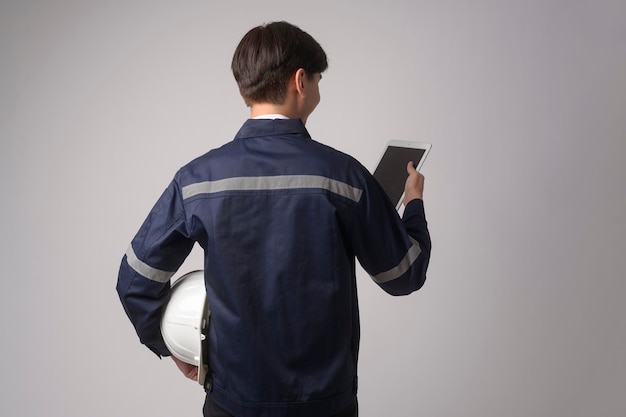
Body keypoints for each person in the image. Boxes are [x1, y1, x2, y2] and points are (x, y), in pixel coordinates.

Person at [117, 21, 431, 417]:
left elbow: (135, 281)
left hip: (230, 404)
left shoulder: (196, 179)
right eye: (318, 79)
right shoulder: (345, 177)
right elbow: (404, 275)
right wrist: (413, 203)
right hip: (324, 408)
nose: (318, 88)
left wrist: (174, 347)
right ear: (301, 80)